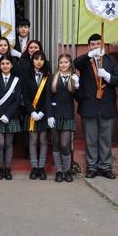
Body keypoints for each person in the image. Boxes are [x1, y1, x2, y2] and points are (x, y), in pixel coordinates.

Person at [74, 34, 118, 179]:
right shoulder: (85, 61)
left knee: (105, 138)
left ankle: (105, 167)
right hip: (89, 105)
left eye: (98, 44)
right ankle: (92, 166)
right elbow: (76, 63)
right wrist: (89, 55)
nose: (95, 46)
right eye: (92, 44)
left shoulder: (110, 60)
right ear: (89, 46)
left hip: (107, 105)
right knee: (91, 138)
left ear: (103, 46)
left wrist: (108, 76)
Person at [0, 57, 22, 180]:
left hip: (11, 116)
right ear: (0, 66)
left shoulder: (16, 80)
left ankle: (7, 169)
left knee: (8, 144)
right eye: (3, 63)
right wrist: (1, 114)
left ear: (12, 65)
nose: (5, 66)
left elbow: (17, 99)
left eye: (8, 63)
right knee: (0, 143)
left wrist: (7, 115)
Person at [49, 54, 79, 182]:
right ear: (58, 64)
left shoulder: (74, 78)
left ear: (70, 64)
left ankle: (67, 170)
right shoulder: (53, 78)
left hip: (67, 116)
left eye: (66, 62)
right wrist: (49, 115)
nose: (63, 64)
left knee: (65, 144)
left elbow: (79, 98)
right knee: (56, 144)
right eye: (61, 62)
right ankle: (59, 171)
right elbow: (48, 98)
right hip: (55, 115)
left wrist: (77, 86)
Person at [24, 50, 52, 180]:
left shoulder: (48, 76)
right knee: (33, 140)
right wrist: (32, 112)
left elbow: (49, 96)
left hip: (44, 113)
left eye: (41, 59)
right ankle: (34, 168)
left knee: (43, 140)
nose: (39, 62)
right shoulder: (26, 76)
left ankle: (41, 168)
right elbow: (25, 97)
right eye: (36, 59)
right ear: (32, 60)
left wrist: (42, 112)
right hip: (31, 114)